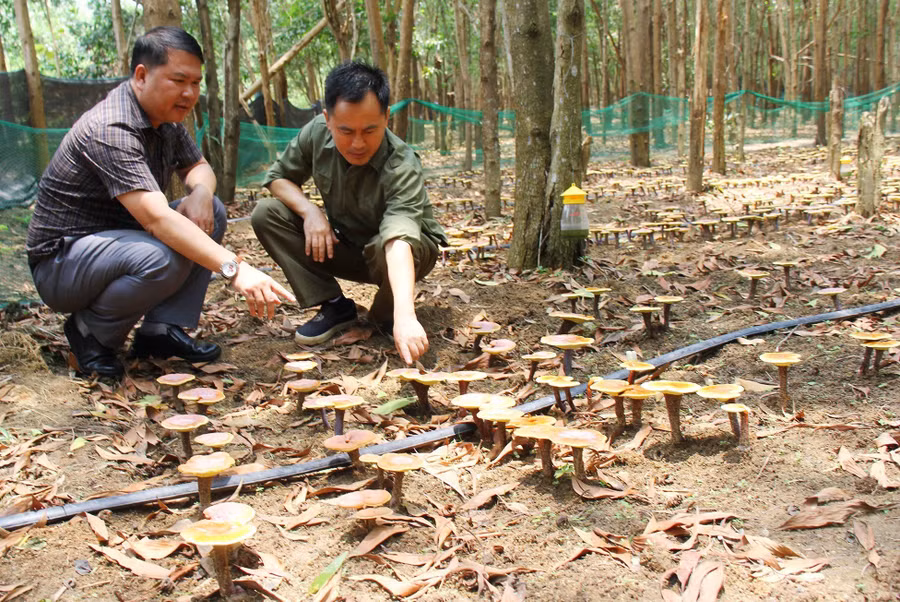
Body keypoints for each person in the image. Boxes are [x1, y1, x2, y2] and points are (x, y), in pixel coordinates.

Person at [26, 26, 294, 379]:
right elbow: (156, 219)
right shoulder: (112, 127)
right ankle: (90, 335)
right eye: (179, 80)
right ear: (141, 75)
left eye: (196, 83)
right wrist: (235, 269)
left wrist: (199, 193)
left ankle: (161, 331)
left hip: (117, 244)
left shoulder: (165, 120)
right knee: (161, 255)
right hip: (62, 262)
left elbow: (198, 167)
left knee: (209, 209)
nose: (189, 93)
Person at [252, 61, 446, 365]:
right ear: (327, 119)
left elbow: (398, 241)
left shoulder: (402, 164)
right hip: (350, 246)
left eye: (370, 130)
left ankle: (388, 313)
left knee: (384, 323)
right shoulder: (315, 133)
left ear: (387, 117)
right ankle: (334, 305)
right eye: (345, 130)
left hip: (403, 252)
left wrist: (405, 317)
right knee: (267, 213)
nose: (357, 143)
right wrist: (310, 212)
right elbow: (278, 178)